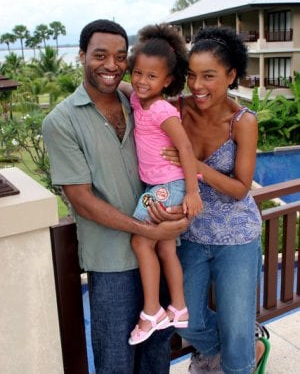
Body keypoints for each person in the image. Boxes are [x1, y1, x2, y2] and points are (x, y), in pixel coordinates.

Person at [42, 19, 189, 374]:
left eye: (120, 57)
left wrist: (174, 217)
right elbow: (82, 200)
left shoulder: (136, 101)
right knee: (115, 362)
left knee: (156, 358)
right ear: (81, 56)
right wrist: (151, 231)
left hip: (158, 252)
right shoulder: (61, 121)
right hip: (111, 264)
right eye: (100, 55)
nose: (111, 65)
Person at [155, 26, 268, 374]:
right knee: (183, 320)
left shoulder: (243, 121)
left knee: (236, 331)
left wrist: (195, 163)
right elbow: (136, 90)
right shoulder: (176, 110)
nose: (198, 86)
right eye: (192, 76)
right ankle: (249, 345)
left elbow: (239, 189)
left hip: (236, 237)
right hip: (190, 233)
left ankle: (240, 357)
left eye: (209, 76)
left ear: (231, 75)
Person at [125, 24, 203, 346]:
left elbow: (185, 148)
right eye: (138, 73)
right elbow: (125, 90)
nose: (142, 81)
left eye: (152, 76)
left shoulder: (161, 108)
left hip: (166, 187)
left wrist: (192, 192)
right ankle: (180, 307)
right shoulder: (137, 101)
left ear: (168, 80)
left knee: (141, 242)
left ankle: (152, 311)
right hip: (159, 185)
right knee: (166, 246)